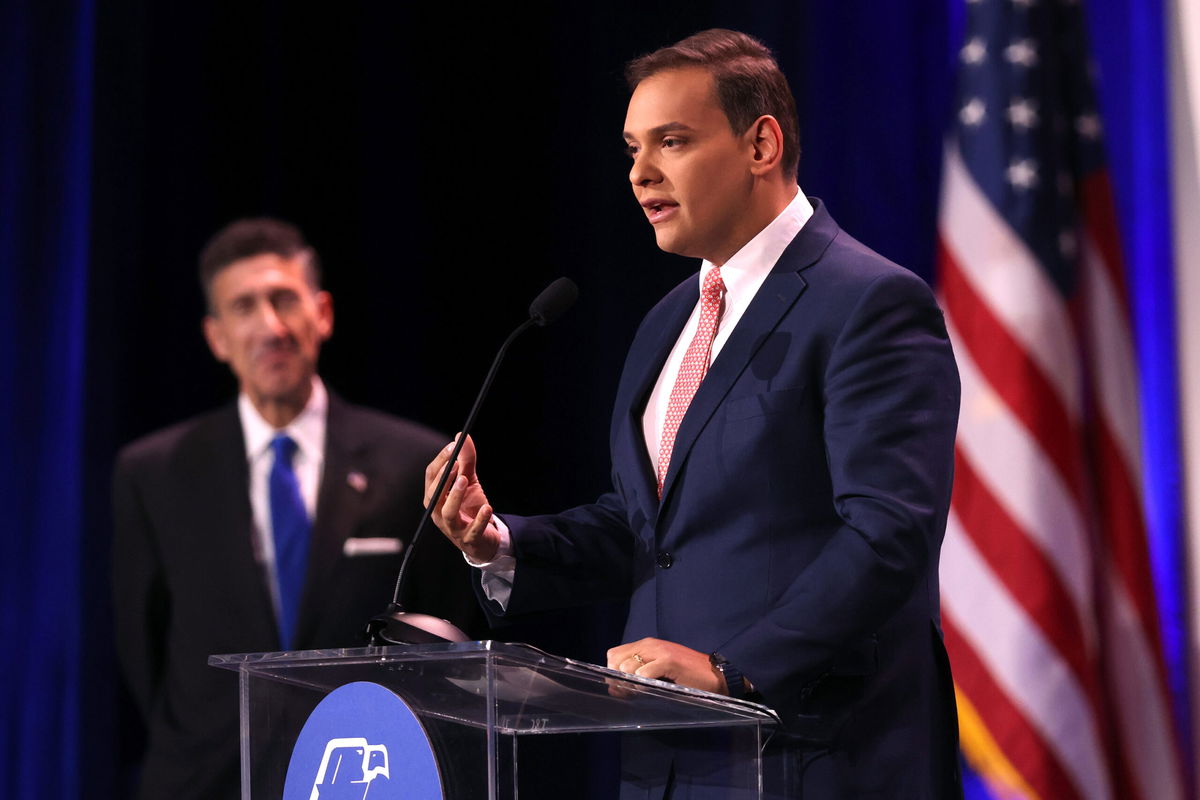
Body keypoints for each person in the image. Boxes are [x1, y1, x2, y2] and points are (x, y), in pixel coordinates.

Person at [425, 29, 962, 798]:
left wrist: (728, 670)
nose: (641, 173)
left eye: (671, 142)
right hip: (675, 762)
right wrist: (498, 541)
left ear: (761, 145)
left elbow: (889, 533)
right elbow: (650, 530)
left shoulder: (869, 303)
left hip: (820, 756)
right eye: (631, 149)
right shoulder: (669, 320)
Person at [111, 218, 484, 800]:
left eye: (285, 300)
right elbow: (144, 648)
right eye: (244, 307)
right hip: (203, 780)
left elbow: (445, 643)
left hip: (360, 778)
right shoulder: (153, 472)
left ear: (323, 314)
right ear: (216, 336)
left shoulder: (414, 461)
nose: (271, 326)